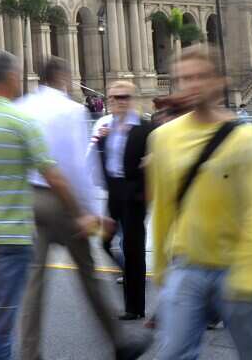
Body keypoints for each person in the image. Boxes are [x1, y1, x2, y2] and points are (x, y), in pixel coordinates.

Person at [0, 52, 84, 360]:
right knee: (1, 319)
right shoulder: (20, 119)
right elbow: (54, 176)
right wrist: (81, 213)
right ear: (11, 78)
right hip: (11, 235)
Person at [149, 45, 252, 360]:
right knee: (173, 353)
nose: (192, 85)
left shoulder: (247, 138)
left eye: (201, 77)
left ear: (219, 81)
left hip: (235, 267)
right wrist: (161, 267)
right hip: (186, 265)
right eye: (185, 78)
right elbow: (163, 206)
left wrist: (248, 272)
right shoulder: (163, 137)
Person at [18, 60, 146, 360]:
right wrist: (88, 211)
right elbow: (77, 165)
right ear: (62, 78)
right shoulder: (71, 110)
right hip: (62, 200)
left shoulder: (23, 106)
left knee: (33, 282)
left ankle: (28, 353)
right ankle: (119, 342)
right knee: (88, 274)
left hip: (31, 197)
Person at [92, 81, 154, 322]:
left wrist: (146, 186)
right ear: (108, 101)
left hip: (135, 194)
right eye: (114, 98)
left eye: (125, 97)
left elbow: (155, 162)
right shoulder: (106, 129)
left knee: (133, 249)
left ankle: (134, 306)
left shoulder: (146, 130)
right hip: (114, 193)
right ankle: (129, 273)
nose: (119, 102)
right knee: (104, 242)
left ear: (134, 99)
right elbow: (103, 164)